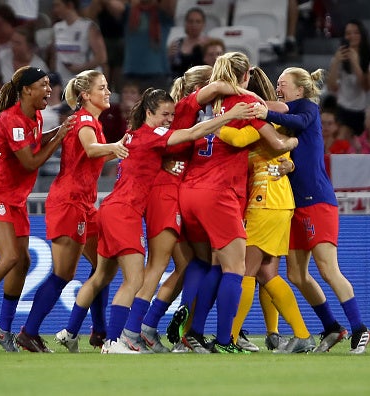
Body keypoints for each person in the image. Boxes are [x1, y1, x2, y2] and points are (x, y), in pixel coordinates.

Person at [55, 87, 258, 354]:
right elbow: (192, 133)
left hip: (111, 208)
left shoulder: (132, 136)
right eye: (164, 114)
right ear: (149, 112)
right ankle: (122, 338)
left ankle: (72, 332)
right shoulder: (154, 135)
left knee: (103, 275)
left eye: (172, 114)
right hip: (125, 212)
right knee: (137, 278)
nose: (169, 120)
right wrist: (230, 114)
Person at [177, 52, 298, 354]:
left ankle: (191, 331)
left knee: (213, 265)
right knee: (236, 269)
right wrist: (293, 145)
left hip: (189, 191)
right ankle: (224, 339)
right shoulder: (245, 108)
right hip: (220, 193)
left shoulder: (195, 103)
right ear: (245, 77)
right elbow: (277, 141)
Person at [255, 66, 370, 354]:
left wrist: (259, 110)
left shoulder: (307, 108)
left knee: (328, 268)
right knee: (295, 274)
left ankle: (360, 329)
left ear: (300, 89)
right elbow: (279, 115)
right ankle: (332, 327)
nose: (278, 87)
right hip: (296, 205)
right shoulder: (289, 118)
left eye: (282, 83)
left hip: (317, 201)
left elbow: (283, 113)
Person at [0, 66, 74, 352]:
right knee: (10, 256)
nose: (49, 90)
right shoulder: (11, 119)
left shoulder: (35, 116)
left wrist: (57, 131)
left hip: (14, 198)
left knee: (22, 262)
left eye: (50, 85)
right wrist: (61, 137)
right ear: (26, 89)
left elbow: (35, 142)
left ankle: (3, 329)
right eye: (43, 85)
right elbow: (30, 162)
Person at [21, 69, 128, 353]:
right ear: (85, 95)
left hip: (84, 204)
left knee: (104, 266)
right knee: (63, 274)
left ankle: (99, 330)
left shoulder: (91, 121)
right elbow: (92, 150)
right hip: (68, 202)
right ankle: (28, 332)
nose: (107, 92)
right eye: (102, 88)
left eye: (107, 87)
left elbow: (95, 152)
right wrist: (117, 147)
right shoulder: (83, 120)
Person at [229, 66, 316, 354]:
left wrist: (219, 122)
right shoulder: (279, 121)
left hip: (264, 200)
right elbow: (286, 151)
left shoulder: (256, 121)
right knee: (267, 273)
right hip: (281, 200)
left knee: (245, 270)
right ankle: (301, 335)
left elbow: (239, 140)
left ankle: (227, 338)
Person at [104, 0, 176, 92]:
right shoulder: (128, 12)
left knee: (157, 106)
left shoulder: (163, 13)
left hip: (158, 75)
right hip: (131, 74)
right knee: (130, 106)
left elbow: (170, 4)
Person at [326, 19, 370, 138]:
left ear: (362, 35)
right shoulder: (340, 57)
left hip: (366, 109)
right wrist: (336, 62)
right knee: (341, 140)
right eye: (348, 33)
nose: (352, 36)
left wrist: (355, 64)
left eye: (356, 32)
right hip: (344, 109)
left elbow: (366, 86)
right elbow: (332, 87)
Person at [50, 0, 108, 86]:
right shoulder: (57, 27)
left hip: (86, 83)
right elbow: (54, 57)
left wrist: (80, 68)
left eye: (58, 5)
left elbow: (102, 58)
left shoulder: (88, 27)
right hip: (63, 83)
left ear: (70, 5)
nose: (55, 10)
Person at [168, 7, 208, 78]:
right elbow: (170, 67)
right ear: (185, 23)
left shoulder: (208, 44)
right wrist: (169, 56)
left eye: (198, 21)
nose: (194, 25)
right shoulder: (176, 44)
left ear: (203, 24)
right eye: (191, 21)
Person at [99, 79, 142, 143]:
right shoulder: (109, 110)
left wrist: (132, 114)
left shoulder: (143, 114)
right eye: (125, 92)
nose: (128, 95)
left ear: (139, 97)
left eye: (133, 92)